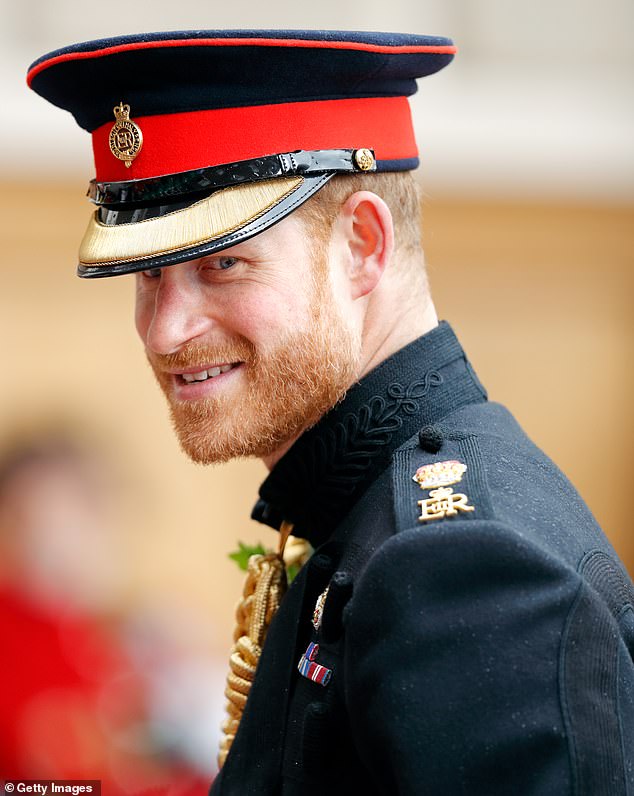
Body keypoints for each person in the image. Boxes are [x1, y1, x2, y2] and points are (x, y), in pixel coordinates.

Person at [28, 29, 633, 795]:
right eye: (149, 276)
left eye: (223, 263)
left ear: (362, 246)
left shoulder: (463, 567)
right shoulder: (360, 515)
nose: (163, 331)